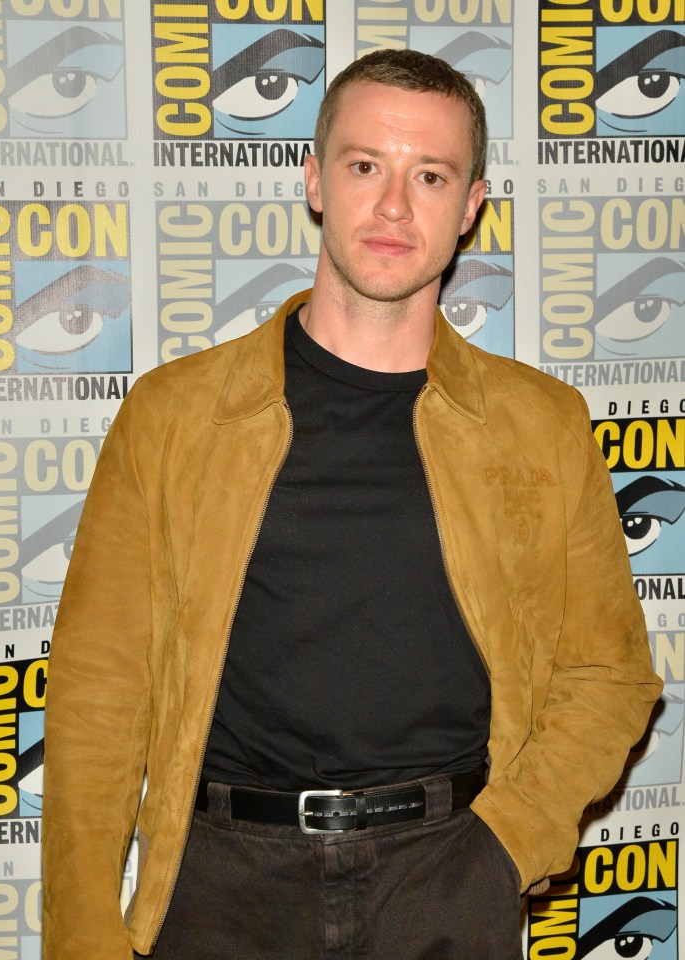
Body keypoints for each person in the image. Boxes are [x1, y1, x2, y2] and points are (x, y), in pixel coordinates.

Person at [41, 49, 662, 959]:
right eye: (366, 166)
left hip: (449, 879)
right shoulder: (174, 416)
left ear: (472, 206)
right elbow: (99, 691)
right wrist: (84, 929)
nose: (395, 206)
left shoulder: (543, 424)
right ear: (316, 182)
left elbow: (612, 676)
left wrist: (505, 844)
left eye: (431, 176)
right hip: (220, 887)